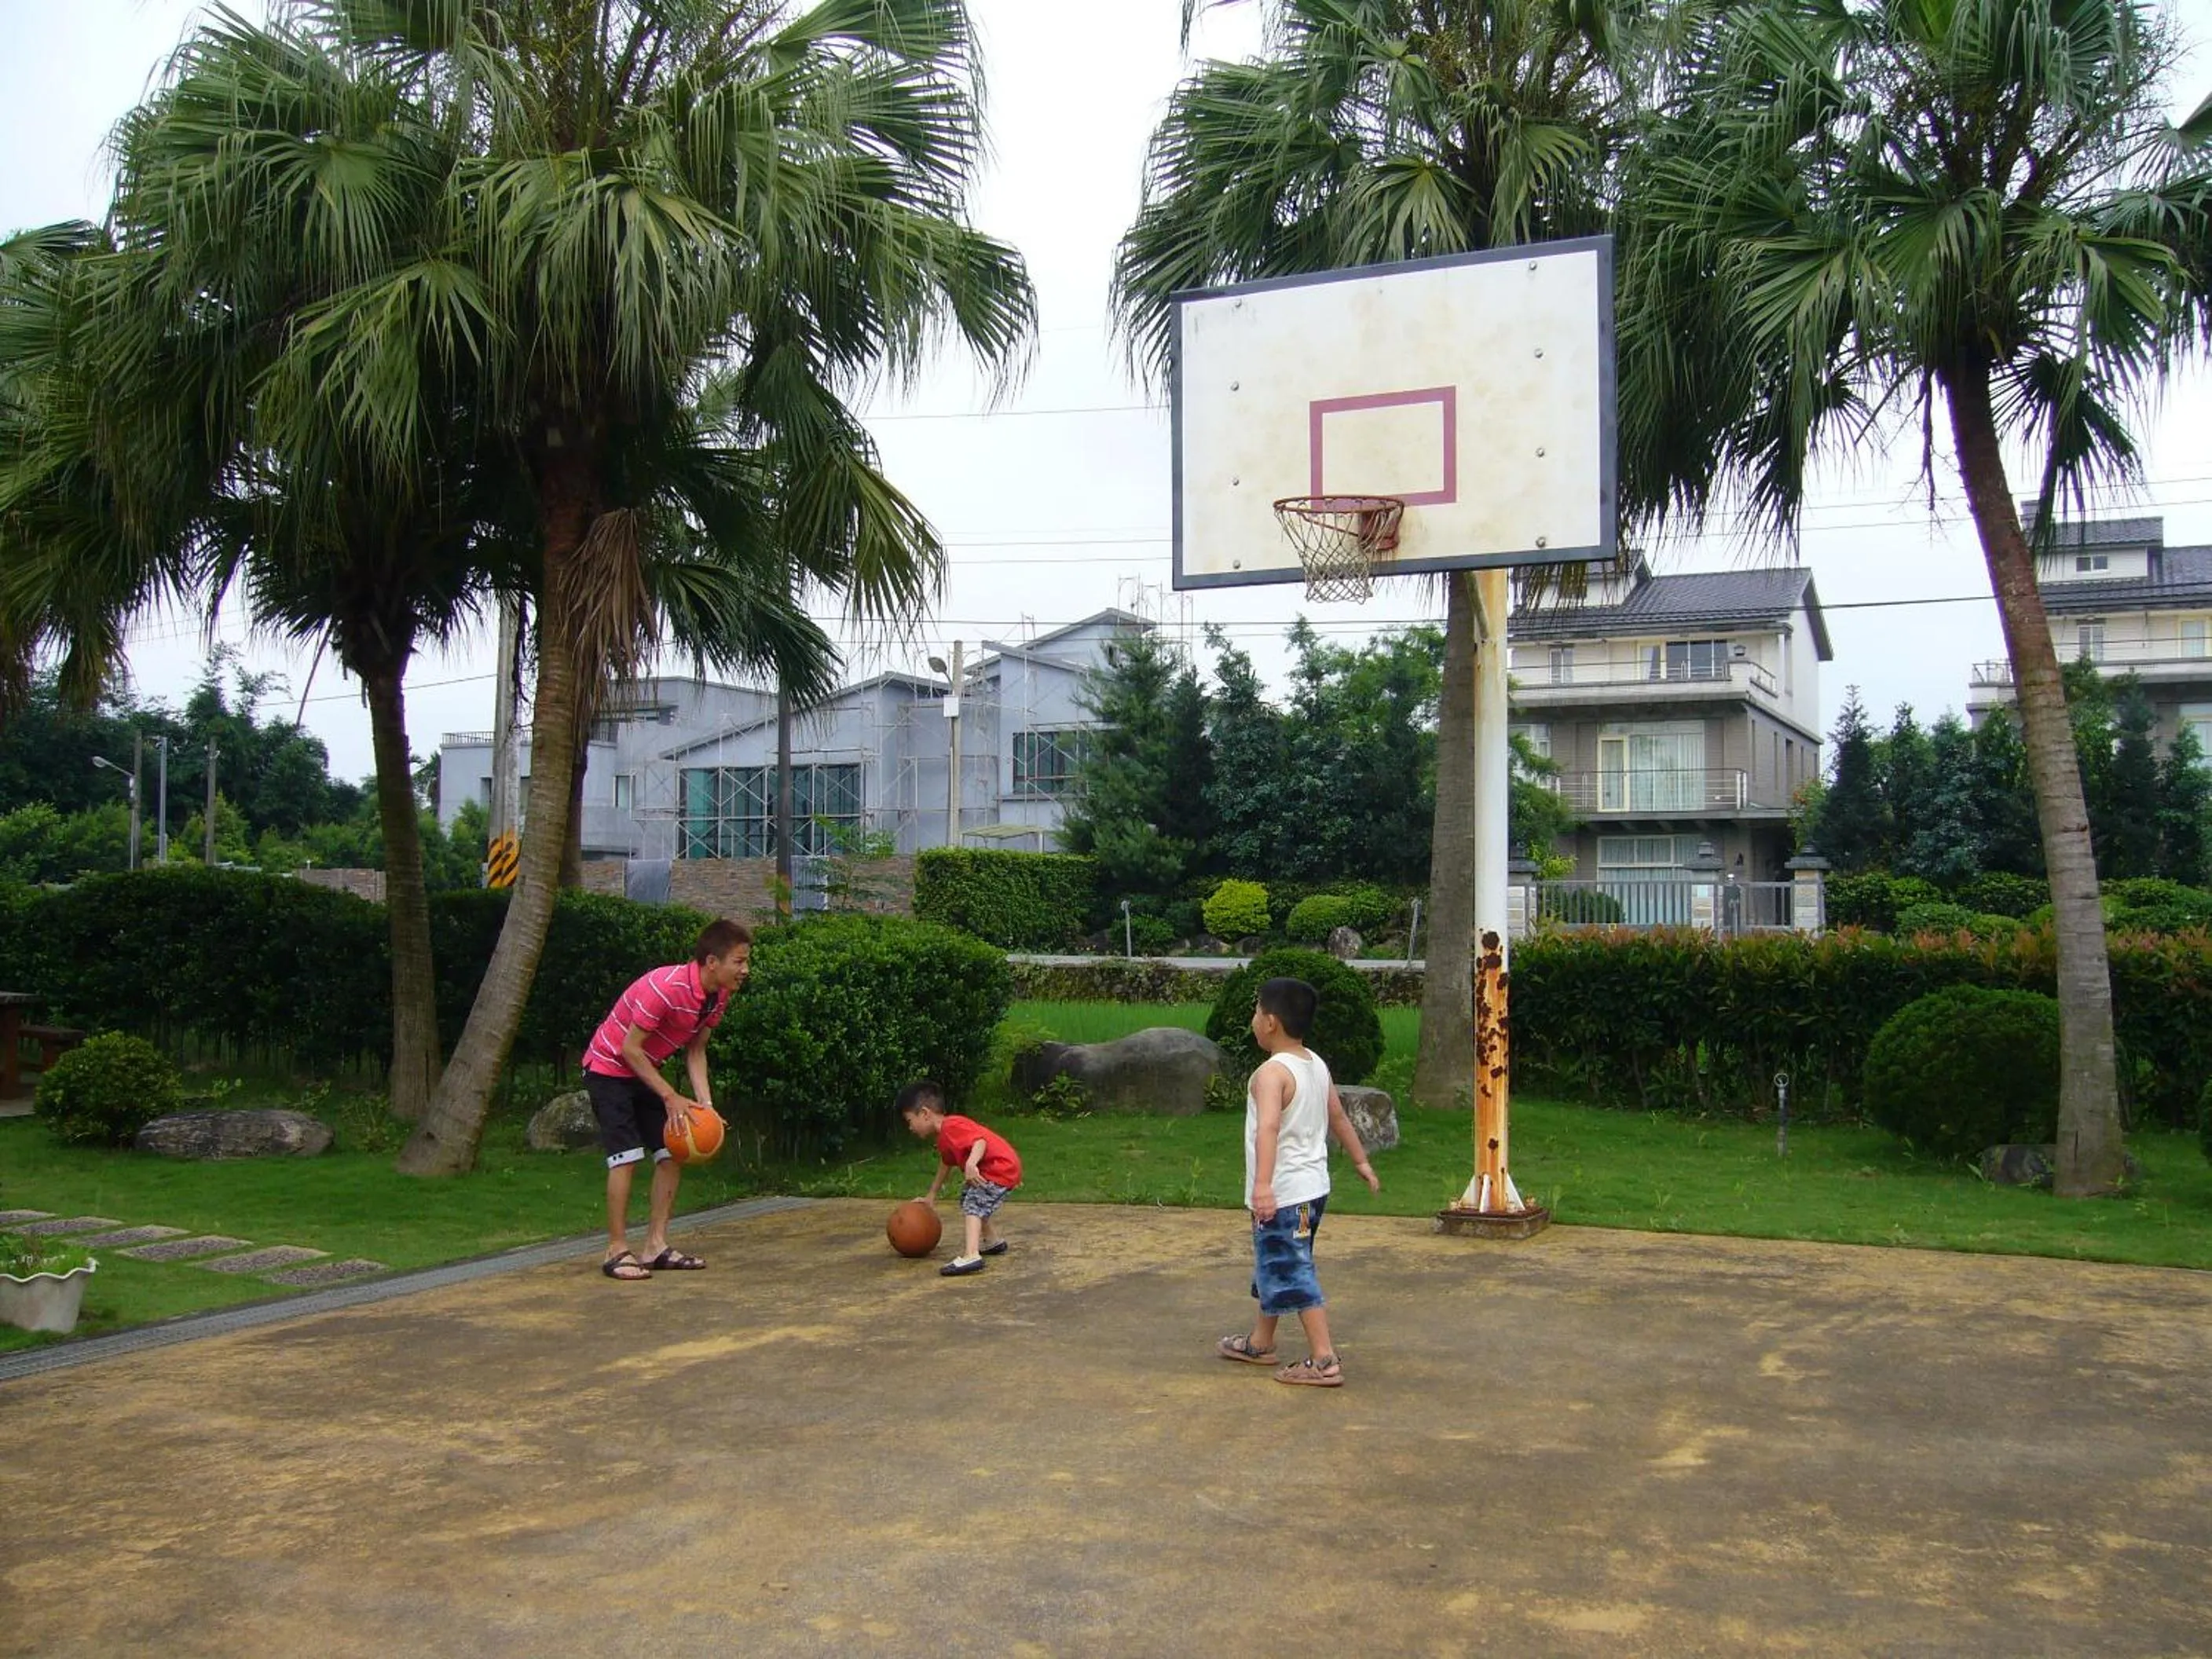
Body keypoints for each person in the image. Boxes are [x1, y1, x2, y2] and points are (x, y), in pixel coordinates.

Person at [1217, 976, 1379, 1386]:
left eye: (1256, 1011)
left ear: (1270, 1022)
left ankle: (1324, 1360)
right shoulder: (1314, 1063)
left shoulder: (1271, 1074)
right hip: (1311, 1192)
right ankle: (1260, 1342)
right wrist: (1361, 1161)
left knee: (1291, 1267)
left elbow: (1267, 1128)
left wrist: (1263, 1187)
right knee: (1276, 1261)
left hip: (1284, 1195)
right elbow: (1339, 1117)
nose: (1254, 1019)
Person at [581, 919, 751, 1281]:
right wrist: (670, 1096)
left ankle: (655, 1246)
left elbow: (696, 1051)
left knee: (672, 1151)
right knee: (625, 1157)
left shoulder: (718, 995)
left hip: (644, 1071)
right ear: (711, 962)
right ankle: (615, 1251)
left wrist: (705, 1105)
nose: (745, 970)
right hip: (610, 1069)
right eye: (739, 961)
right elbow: (629, 1049)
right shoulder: (666, 989)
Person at [899, 1080, 1023, 1278]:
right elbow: (946, 1164)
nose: (910, 1128)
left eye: (909, 1120)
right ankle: (993, 1241)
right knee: (969, 1198)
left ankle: (972, 1255)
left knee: (974, 1203)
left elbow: (980, 1141)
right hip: (1001, 1167)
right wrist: (931, 1195)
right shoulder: (944, 1137)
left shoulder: (952, 1125)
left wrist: (971, 1164)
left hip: (1000, 1167)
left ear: (924, 1113)